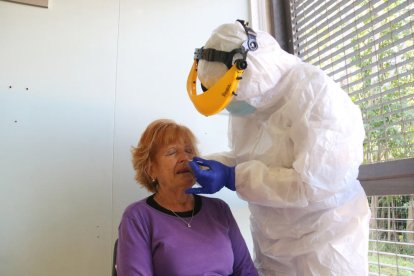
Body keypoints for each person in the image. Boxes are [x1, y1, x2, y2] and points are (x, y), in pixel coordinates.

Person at [185, 20, 371, 275]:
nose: (230, 108)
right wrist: (207, 164)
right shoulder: (252, 105)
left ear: (248, 71)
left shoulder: (316, 95)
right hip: (272, 243)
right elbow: (250, 158)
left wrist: (231, 177)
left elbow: (312, 184)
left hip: (326, 243)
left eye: (231, 97)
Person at [116, 119, 258, 276]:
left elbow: (246, 271)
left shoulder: (219, 209)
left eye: (189, 151)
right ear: (151, 170)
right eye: (172, 152)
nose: (185, 158)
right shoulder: (138, 217)